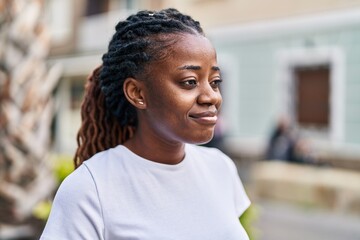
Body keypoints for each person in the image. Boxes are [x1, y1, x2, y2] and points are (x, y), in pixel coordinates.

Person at [40, 8, 250, 240]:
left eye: (215, 81)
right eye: (190, 82)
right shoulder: (90, 188)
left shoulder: (220, 168)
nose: (211, 96)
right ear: (137, 92)